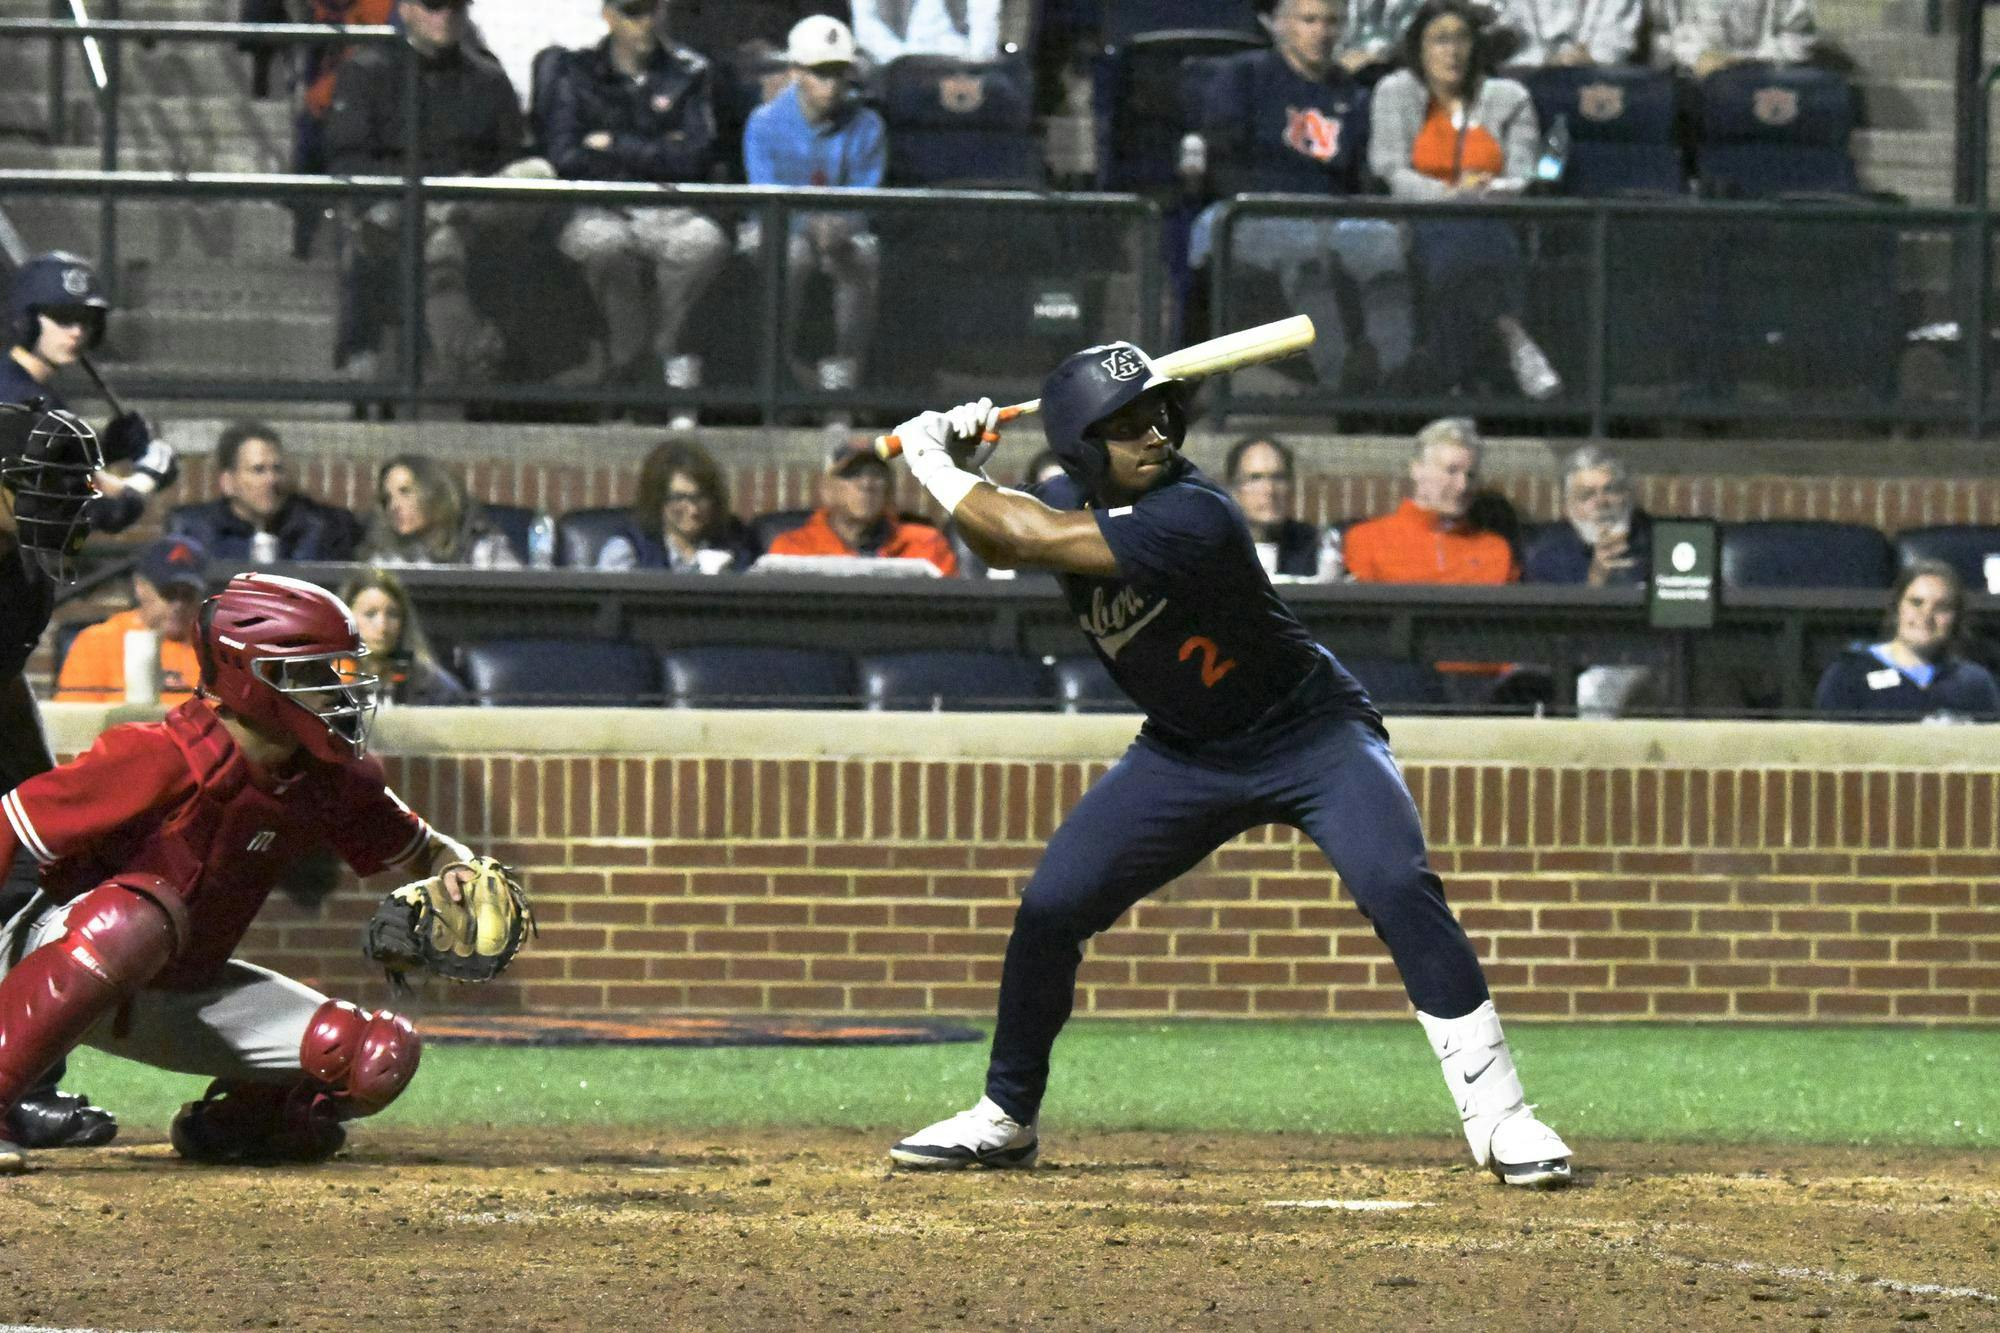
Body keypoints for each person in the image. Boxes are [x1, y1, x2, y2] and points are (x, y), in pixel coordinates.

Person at [882, 344, 1571, 1187]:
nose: (1152, 434)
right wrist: (968, 469)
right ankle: (1006, 1117)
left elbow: (1018, 534)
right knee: (1051, 907)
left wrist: (932, 462)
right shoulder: (1079, 505)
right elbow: (1008, 525)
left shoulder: (1193, 511)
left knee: (1396, 882)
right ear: (1081, 450)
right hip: (1185, 750)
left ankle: (1504, 1118)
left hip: (1310, 733)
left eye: (1156, 413)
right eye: (1124, 423)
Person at [0, 572, 492, 1172]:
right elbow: (10, 824)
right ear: (248, 680)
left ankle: (230, 1130)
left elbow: (429, 852)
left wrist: (462, 875)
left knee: (375, 1054)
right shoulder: (159, 754)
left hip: (175, 990)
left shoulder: (326, 777)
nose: (338, 693)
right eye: (311, 675)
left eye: (339, 672)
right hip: (48, 955)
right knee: (136, 916)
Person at [0, 403, 118, 1155]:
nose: (64, 506)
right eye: (43, 487)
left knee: (36, 882)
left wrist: (45, 798)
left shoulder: (25, 575)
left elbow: (3, 683)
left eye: (70, 489)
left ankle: (22, 1084)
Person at [1188, 0, 1412, 394]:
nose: (1321, 32)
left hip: (1330, 213)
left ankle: (1395, 373)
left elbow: (1360, 176)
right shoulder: (1243, 76)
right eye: (1309, 20)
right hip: (1252, 210)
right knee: (1306, 249)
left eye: (1331, 21)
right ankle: (1337, 376)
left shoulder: (1351, 92)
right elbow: (1221, 164)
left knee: (1383, 242)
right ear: (1280, 25)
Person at [324, 0, 538, 384]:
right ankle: (465, 365)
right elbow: (348, 160)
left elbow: (510, 159)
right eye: (435, 5)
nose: (446, 16)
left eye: (456, 7)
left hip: (473, 209)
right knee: (436, 245)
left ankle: (446, 219)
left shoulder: (487, 77)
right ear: (405, 9)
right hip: (403, 204)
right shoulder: (367, 71)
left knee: (537, 174)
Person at [1368, 0, 1564, 401]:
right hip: (1419, 218)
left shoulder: (1510, 97)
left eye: (1461, 39)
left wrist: (1492, 189)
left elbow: (1522, 173)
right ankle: (1512, 336)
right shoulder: (1396, 91)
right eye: (1439, 40)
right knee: (1458, 247)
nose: (1452, 51)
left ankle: (1446, 376)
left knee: (1468, 246)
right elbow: (1390, 169)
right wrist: (1447, 194)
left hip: (1491, 217)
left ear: (1477, 46)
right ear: (1419, 48)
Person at [545, 0, 731, 417]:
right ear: (608, 16)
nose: (643, 24)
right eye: (632, 12)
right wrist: (660, 151)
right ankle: (633, 359)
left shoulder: (690, 71)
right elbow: (563, 154)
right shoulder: (576, 71)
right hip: (600, 205)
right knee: (602, 243)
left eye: (650, 11)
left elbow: (697, 158)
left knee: (704, 241)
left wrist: (614, 144)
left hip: (671, 206)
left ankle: (659, 353)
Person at [742, 16, 887, 403]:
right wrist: (807, 224)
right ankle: (779, 368)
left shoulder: (867, 123)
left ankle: (842, 374)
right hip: (778, 227)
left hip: (843, 231)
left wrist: (841, 225)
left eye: (839, 73)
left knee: (863, 256)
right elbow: (763, 196)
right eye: (821, 73)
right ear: (795, 72)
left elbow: (867, 196)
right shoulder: (765, 122)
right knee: (793, 255)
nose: (832, 84)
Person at [0, 252, 179, 535]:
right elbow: (95, 512)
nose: (77, 332)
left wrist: (105, 450)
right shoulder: (20, 403)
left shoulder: (28, 390)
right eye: (63, 318)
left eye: (86, 320)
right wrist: (149, 475)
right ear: (27, 319)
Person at [1814, 561, 2000, 721]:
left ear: (1956, 618)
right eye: (1916, 602)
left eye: (1942, 607)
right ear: (1897, 609)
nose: (1926, 615)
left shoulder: (1975, 685)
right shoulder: (1849, 676)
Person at [1344, 417, 1518, 584]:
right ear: (1417, 469)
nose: (1462, 486)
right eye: (1451, 471)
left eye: (1470, 475)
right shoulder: (1367, 541)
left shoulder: (1495, 552)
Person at [166, 421, 364, 563]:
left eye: (277, 469)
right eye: (258, 470)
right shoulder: (195, 533)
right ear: (228, 482)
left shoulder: (320, 528)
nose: (271, 480)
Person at [763, 438, 958, 574]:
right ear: (826, 489)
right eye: (851, 474)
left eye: (877, 474)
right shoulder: (793, 549)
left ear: (889, 490)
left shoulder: (926, 544)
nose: (867, 483)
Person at [54, 536, 209, 706]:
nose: (178, 605)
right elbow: (76, 721)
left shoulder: (215, 648)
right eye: (168, 593)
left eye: (188, 595)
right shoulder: (98, 642)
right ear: (141, 587)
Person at [595, 437, 759, 572]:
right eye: (680, 498)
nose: (693, 510)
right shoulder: (629, 550)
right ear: (658, 499)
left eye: (701, 497)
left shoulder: (737, 541)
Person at [360, 454, 524, 569]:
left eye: (405, 491)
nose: (394, 505)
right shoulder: (387, 560)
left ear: (435, 492)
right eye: (387, 498)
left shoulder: (485, 551)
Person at [337, 566, 470, 705]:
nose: (383, 626)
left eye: (393, 614)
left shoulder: (436, 688)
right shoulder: (326, 683)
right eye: (370, 614)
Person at [1522, 444, 1650, 586]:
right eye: (1586, 495)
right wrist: (1595, 579)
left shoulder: (1653, 543)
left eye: (1610, 490)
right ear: (1567, 509)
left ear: (1628, 496)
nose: (1601, 501)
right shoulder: (1547, 556)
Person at [1226, 435, 1344, 581]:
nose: (1270, 490)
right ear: (1233, 489)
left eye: (1278, 478)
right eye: (1255, 478)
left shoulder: (1316, 545)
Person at [1651, 0, 1816, 76]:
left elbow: (1796, 39)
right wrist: (1696, 60)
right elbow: (1662, 37)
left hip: (1760, 85)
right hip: (1688, 88)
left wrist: (1745, 63)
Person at [847, 0, 1003, 65]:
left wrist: (972, 64)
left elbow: (985, 23)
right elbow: (867, 29)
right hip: (896, 68)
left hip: (960, 64)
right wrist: (905, 61)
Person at [1495, 0, 1641, 68]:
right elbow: (1503, 41)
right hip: (1526, 82)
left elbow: (1618, 44)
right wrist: (1545, 60)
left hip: (1596, 84)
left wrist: (1592, 58)